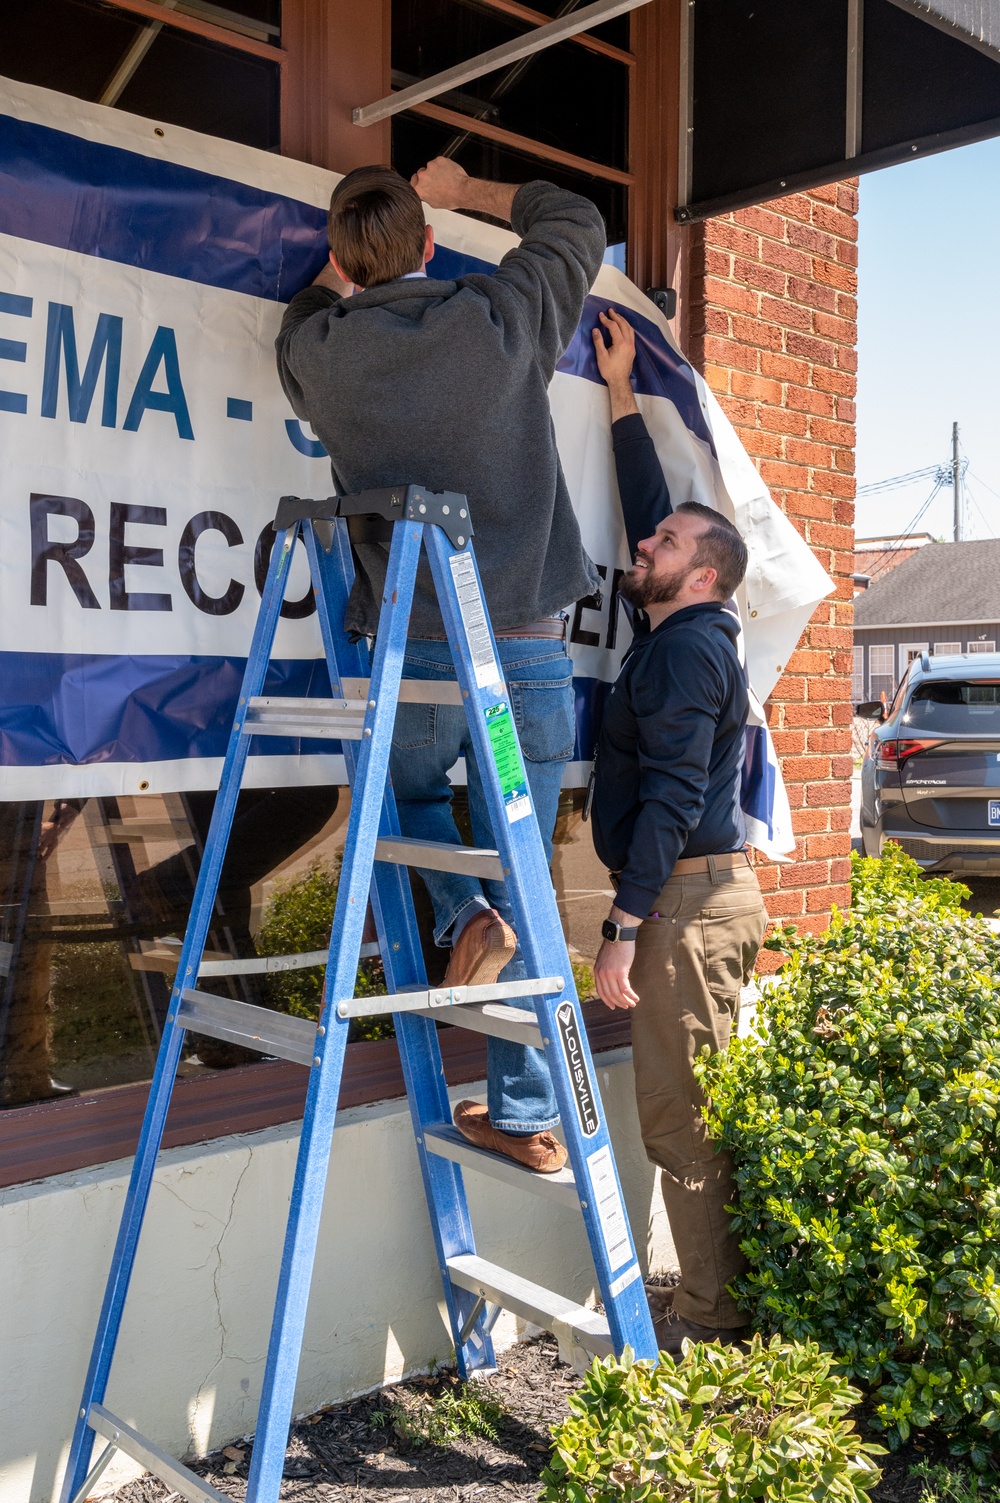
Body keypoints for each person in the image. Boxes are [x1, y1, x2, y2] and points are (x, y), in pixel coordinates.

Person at [275, 157, 606, 1173]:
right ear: (429, 246)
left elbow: (299, 317)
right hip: (528, 652)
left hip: (415, 648)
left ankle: (467, 919)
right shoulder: (503, 319)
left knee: (399, 804)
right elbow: (575, 218)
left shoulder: (324, 356)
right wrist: (468, 191)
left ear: (339, 258)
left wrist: (351, 264)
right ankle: (528, 1116)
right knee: (523, 868)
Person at [589, 307, 768, 1354]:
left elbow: (666, 798)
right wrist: (618, 393)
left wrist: (622, 923)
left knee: (683, 1125)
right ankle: (715, 1302)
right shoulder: (686, 620)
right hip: (692, 896)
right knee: (691, 1113)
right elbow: (658, 517)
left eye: (660, 547)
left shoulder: (690, 652)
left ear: (697, 575)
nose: (642, 546)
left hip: (684, 905)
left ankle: (712, 1331)